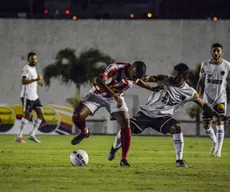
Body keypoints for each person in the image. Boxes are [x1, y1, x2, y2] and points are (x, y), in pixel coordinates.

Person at [108, 63, 227, 168]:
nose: (173, 77)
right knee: (125, 129)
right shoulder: (164, 79)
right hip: (146, 113)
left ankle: (179, 160)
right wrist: (140, 77)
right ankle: (114, 148)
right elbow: (148, 78)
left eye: (177, 75)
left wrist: (218, 116)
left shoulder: (190, 92)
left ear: (184, 77)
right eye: (173, 73)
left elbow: (204, 105)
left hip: (163, 118)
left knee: (177, 128)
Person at [71, 61, 155, 166]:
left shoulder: (135, 76)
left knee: (126, 125)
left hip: (115, 99)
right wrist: (113, 94)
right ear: (132, 68)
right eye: (134, 76)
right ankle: (85, 132)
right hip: (97, 95)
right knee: (77, 116)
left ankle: (124, 159)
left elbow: (138, 81)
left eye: (137, 77)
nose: (134, 79)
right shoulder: (116, 68)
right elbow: (99, 81)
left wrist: (151, 88)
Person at [196, 43, 230, 157]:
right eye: (214, 50)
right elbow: (200, 81)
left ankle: (218, 151)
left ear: (222, 52)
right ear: (211, 52)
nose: (216, 53)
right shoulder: (205, 64)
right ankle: (215, 143)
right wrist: (196, 95)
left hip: (220, 99)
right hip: (207, 101)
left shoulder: (227, 66)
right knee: (206, 126)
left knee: (220, 122)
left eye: (218, 51)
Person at [16, 52, 44, 143]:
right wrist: (36, 79)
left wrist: (38, 82)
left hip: (35, 96)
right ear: (29, 59)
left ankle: (32, 134)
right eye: (32, 59)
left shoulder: (33, 68)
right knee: (27, 116)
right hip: (27, 96)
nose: (34, 60)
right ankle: (19, 136)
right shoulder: (26, 68)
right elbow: (24, 81)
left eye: (35, 59)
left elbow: (31, 80)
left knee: (41, 114)